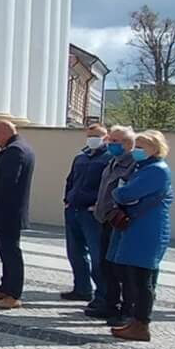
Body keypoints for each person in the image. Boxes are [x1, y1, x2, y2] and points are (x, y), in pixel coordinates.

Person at [107, 130, 174, 342]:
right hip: (140, 226)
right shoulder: (144, 167)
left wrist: (119, 193)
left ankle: (141, 323)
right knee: (133, 275)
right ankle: (136, 321)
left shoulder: (156, 170)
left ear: (155, 149)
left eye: (141, 147)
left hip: (148, 229)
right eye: (136, 146)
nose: (136, 150)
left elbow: (125, 193)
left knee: (142, 278)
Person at [0, 118, 35, 310]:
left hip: (8, 212)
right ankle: (5, 287)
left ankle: (13, 294)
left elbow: (10, 181)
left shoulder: (15, 150)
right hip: (9, 211)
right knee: (6, 251)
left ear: (3, 132)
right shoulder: (20, 147)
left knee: (11, 252)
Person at [86, 125, 139, 323]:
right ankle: (110, 304)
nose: (110, 144)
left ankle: (125, 309)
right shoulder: (113, 161)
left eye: (115, 141)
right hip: (104, 219)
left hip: (118, 221)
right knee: (106, 265)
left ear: (127, 144)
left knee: (121, 268)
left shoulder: (133, 163)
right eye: (110, 140)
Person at [61, 124, 112, 302]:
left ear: (106, 137)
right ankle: (81, 288)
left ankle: (103, 294)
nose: (92, 139)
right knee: (75, 252)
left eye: (96, 135)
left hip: (92, 213)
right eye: (90, 135)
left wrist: (98, 205)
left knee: (97, 254)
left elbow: (107, 186)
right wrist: (67, 200)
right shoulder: (80, 157)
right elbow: (70, 180)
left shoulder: (109, 158)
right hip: (73, 210)